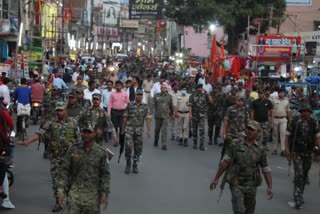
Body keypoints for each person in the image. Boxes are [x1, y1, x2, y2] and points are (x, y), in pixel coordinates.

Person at [19, 102, 80, 212]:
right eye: (57, 110)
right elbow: (40, 133)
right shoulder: (51, 123)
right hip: (56, 157)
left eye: (61, 110)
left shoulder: (74, 123)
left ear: (65, 110)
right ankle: (59, 202)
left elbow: (80, 140)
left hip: (70, 157)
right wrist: (28, 142)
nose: (59, 112)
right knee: (56, 181)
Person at [210, 120, 273, 214]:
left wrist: (270, 187)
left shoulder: (261, 149)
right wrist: (216, 179)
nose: (249, 131)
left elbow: (265, 168)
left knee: (249, 211)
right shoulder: (235, 144)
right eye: (248, 129)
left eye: (252, 130)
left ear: (258, 132)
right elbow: (225, 162)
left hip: (251, 185)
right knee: (240, 211)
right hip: (236, 183)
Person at [57, 120, 111, 214]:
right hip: (74, 195)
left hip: (92, 197)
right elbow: (64, 170)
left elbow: (105, 175)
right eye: (84, 132)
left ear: (94, 134)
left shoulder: (101, 152)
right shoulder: (73, 149)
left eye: (89, 132)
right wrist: (61, 191)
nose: (86, 135)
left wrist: (104, 194)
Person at [285, 105, 320, 210]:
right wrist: (286, 149)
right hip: (297, 152)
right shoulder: (295, 121)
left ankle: (300, 191)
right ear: (301, 112)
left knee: (304, 174)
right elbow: (287, 136)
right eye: (304, 111)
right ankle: (298, 197)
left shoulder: (314, 123)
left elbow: (317, 137)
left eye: (308, 111)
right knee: (299, 174)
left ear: (311, 113)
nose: (306, 113)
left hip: (309, 152)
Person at [121, 89, 151, 174]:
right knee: (128, 147)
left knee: (138, 148)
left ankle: (135, 163)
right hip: (129, 130)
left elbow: (148, 118)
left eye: (141, 95)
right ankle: (128, 163)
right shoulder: (130, 104)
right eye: (138, 94)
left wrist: (148, 130)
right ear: (135, 95)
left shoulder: (145, 106)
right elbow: (125, 117)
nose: (139, 96)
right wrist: (123, 129)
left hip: (139, 131)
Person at [189, 84, 212, 150]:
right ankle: (195, 144)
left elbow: (211, 101)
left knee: (202, 130)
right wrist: (190, 114)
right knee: (194, 130)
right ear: (196, 89)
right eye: (198, 88)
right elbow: (190, 105)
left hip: (202, 115)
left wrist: (208, 94)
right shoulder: (193, 95)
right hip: (195, 115)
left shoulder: (205, 95)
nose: (200, 89)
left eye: (201, 88)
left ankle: (202, 145)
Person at [151, 83, 173, 150]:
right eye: (162, 88)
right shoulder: (156, 96)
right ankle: (156, 140)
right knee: (157, 130)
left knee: (164, 130)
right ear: (160, 89)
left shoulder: (169, 96)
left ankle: (164, 144)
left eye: (165, 88)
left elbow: (171, 106)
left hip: (165, 116)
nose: (164, 89)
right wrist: (150, 114)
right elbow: (152, 105)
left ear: (166, 89)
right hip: (158, 116)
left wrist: (172, 113)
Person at [108, 80, 130, 147]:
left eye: (119, 85)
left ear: (122, 86)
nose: (118, 86)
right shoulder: (112, 93)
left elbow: (128, 103)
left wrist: (128, 112)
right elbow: (110, 103)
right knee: (114, 127)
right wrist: (109, 113)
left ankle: (121, 140)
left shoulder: (125, 93)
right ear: (115, 86)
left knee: (122, 127)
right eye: (117, 85)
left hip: (122, 112)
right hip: (114, 111)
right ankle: (115, 141)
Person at [271, 88, 290, 156]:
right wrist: (272, 121)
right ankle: (275, 149)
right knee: (275, 135)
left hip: (283, 119)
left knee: (283, 134)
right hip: (275, 118)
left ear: (284, 93)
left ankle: (283, 150)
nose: (281, 94)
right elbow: (271, 111)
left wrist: (289, 120)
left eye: (282, 93)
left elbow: (288, 111)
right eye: (280, 93)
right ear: (278, 93)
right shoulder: (273, 100)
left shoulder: (286, 100)